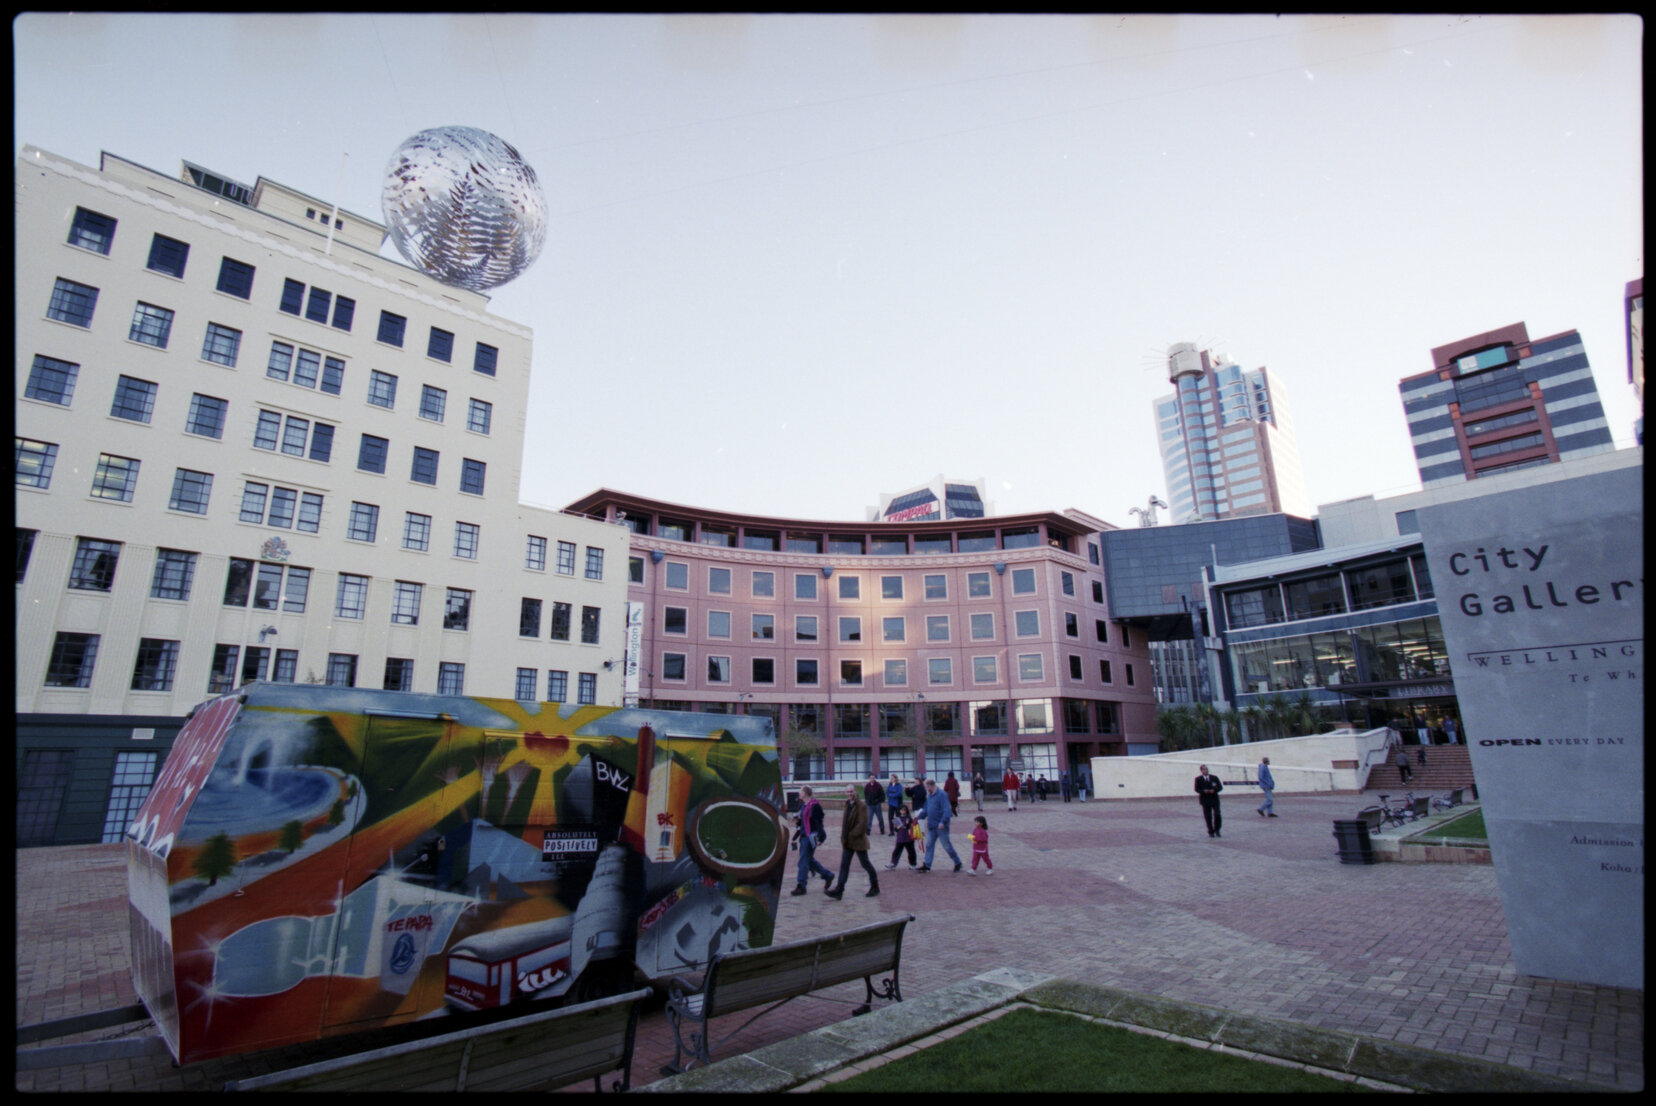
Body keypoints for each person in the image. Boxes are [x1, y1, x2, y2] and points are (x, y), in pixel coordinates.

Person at [826, 785, 879, 899]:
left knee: (865, 864)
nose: (850, 794)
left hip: (858, 841)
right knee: (844, 865)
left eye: (851, 792)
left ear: (855, 792)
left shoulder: (861, 806)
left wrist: (851, 835)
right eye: (848, 792)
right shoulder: (847, 804)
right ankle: (839, 890)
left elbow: (862, 824)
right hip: (847, 842)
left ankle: (875, 887)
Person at [790, 786, 835, 895]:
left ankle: (801, 886)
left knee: (803, 861)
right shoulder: (804, 805)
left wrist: (821, 837)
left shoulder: (814, 806)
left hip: (811, 836)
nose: (799, 794)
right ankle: (828, 875)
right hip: (804, 835)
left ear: (805, 793)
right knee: (808, 860)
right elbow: (803, 822)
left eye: (800, 792)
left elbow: (819, 822)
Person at [919, 778, 963, 872]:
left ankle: (957, 862)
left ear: (930, 785)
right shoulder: (930, 795)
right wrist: (918, 817)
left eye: (926, 786)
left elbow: (947, 810)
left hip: (941, 826)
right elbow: (926, 809)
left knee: (946, 846)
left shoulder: (942, 795)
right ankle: (927, 865)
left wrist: (943, 822)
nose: (925, 788)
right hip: (932, 826)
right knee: (929, 845)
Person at [885, 803, 919, 870]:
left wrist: (907, 824)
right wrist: (896, 827)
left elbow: (911, 827)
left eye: (904, 810)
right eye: (901, 810)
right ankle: (893, 863)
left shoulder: (909, 818)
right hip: (900, 837)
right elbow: (896, 829)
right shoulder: (898, 818)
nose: (903, 812)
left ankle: (913, 864)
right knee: (896, 851)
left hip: (908, 838)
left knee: (911, 851)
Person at [1194, 764, 1224, 838]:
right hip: (1205, 800)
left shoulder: (1214, 778)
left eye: (1206, 769)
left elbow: (1220, 787)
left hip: (1214, 799)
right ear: (1201, 771)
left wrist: (1214, 790)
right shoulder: (1198, 779)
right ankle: (1210, 831)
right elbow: (1196, 789)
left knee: (1217, 814)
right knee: (1208, 816)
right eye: (1204, 769)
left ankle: (1217, 829)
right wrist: (1204, 791)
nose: (1206, 771)